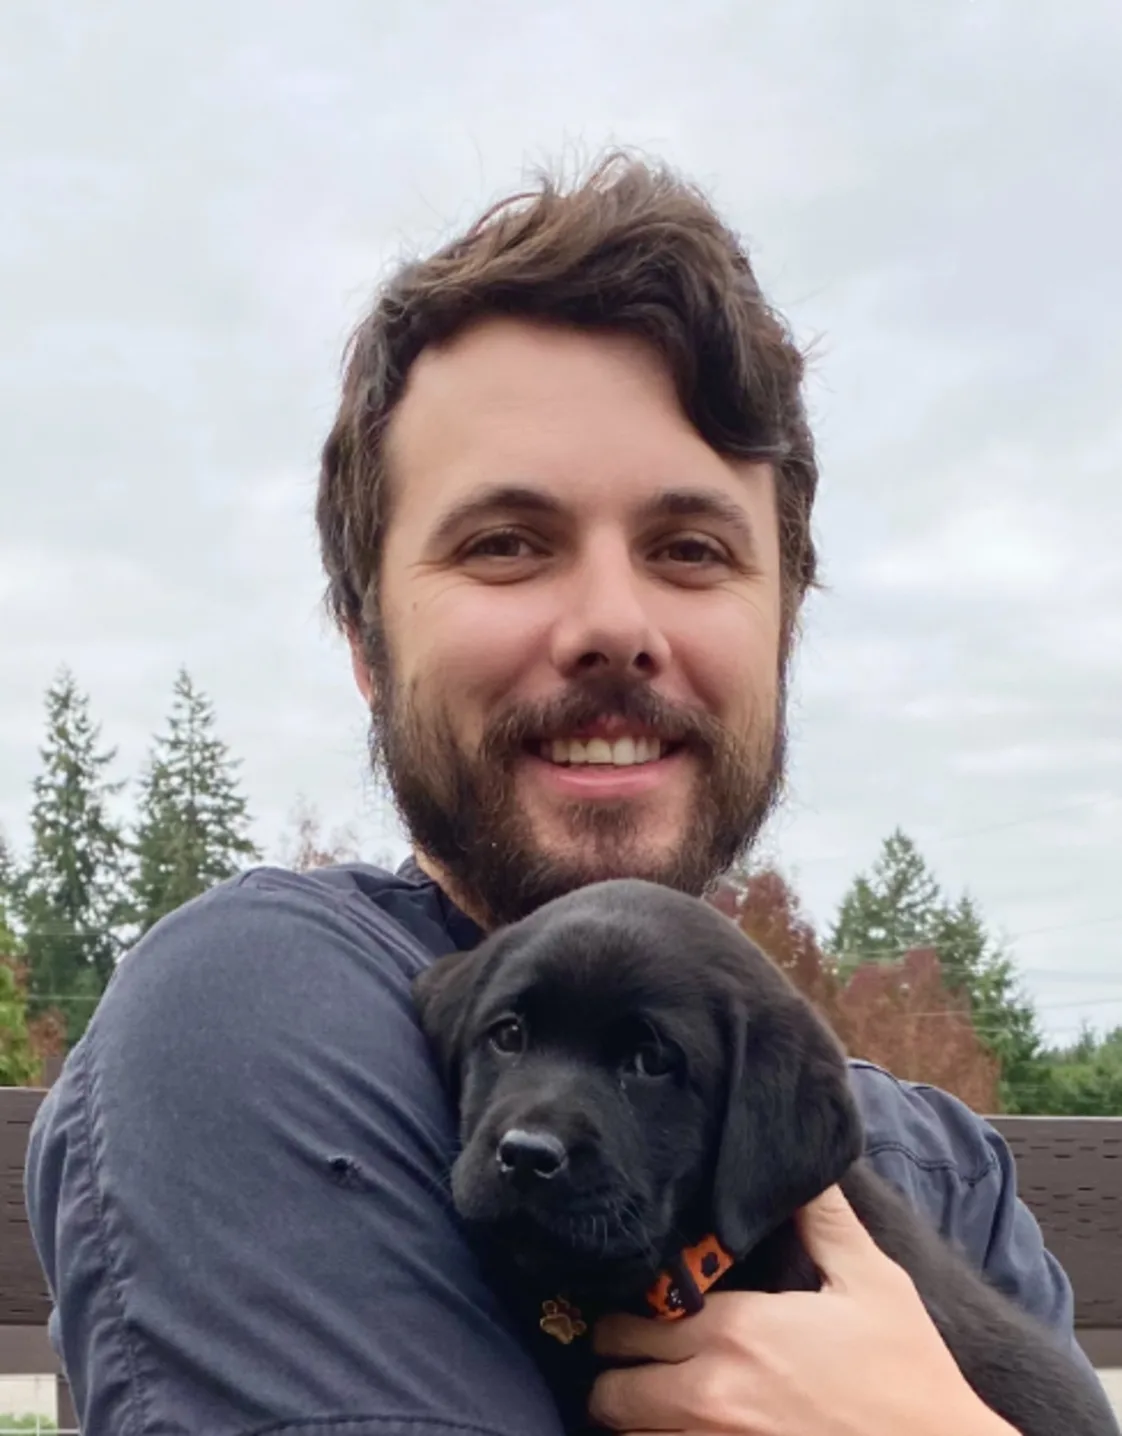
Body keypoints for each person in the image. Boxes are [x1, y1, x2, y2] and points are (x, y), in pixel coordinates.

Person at [24, 154, 1107, 1436]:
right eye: (508, 544)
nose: (611, 624)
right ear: (366, 641)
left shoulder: (948, 1169)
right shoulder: (265, 1014)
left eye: (689, 549)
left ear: (783, 631)